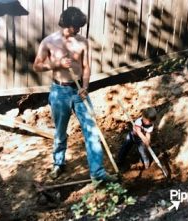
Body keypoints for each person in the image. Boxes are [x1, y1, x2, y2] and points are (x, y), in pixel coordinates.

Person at [33, 7, 116, 182]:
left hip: (79, 92)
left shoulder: (83, 42)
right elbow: (37, 66)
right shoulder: (49, 41)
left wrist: (85, 87)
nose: (79, 29)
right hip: (59, 92)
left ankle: (98, 173)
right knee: (60, 131)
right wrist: (57, 64)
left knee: (91, 131)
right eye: (76, 26)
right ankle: (58, 163)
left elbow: (86, 67)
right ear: (66, 23)